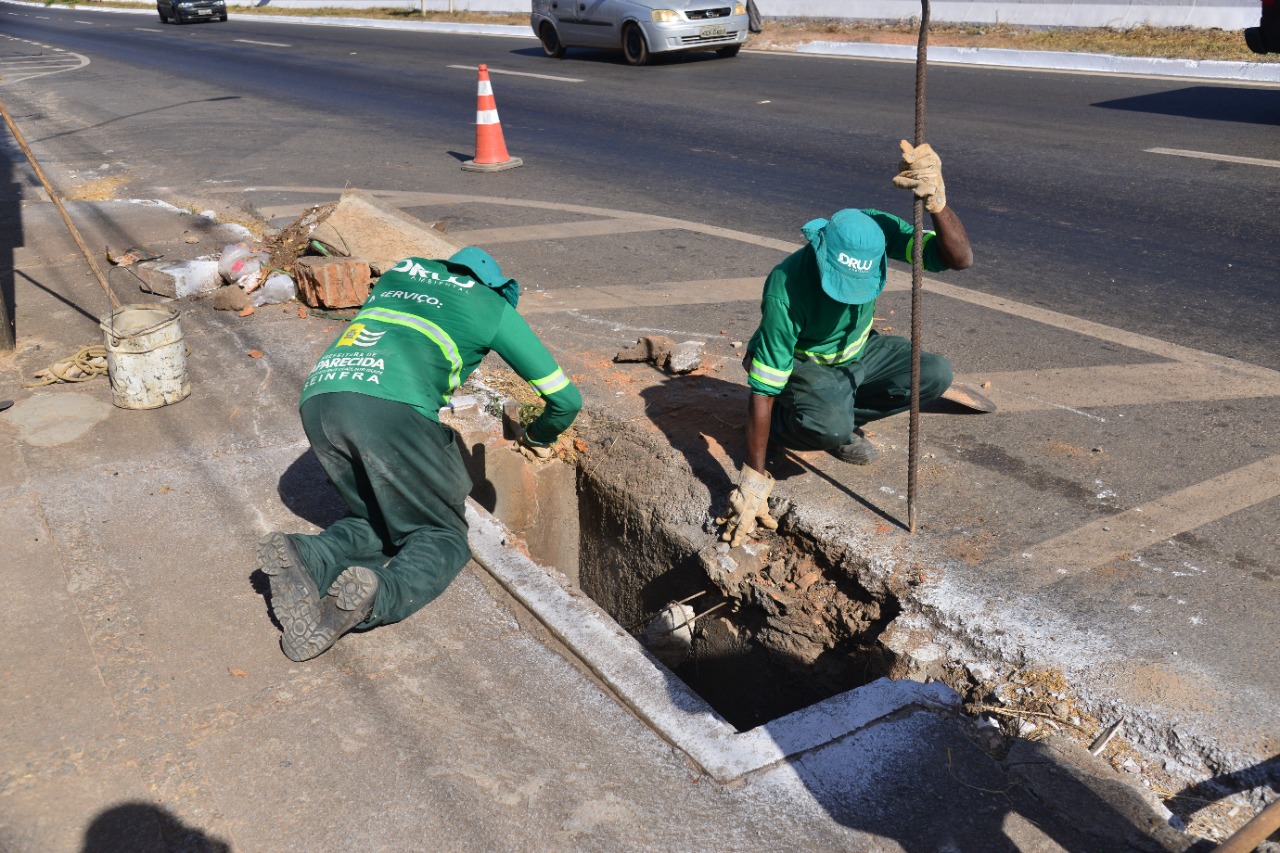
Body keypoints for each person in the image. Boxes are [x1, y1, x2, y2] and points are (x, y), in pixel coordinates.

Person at [260, 247, 581, 661]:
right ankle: (379, 595)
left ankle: (311, 556)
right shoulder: (490, 306)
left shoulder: (401, 276)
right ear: (495, 287)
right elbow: (566, 400)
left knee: (381, 516)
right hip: (390, 411)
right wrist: (538, 436)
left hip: (321, 400)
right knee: (441, 534)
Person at [717, 140, 973, 547]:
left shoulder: (875, 233)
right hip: (805, 365)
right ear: (820, 251)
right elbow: (762, 389)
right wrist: (753, 478)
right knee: (826, 425)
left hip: (858, 352)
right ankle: (799, 426)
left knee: (935, 374)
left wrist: (938, 203)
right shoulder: (786, 287)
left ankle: (836, 418)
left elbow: (958, 259)